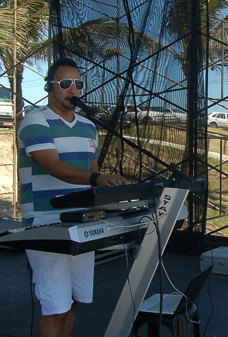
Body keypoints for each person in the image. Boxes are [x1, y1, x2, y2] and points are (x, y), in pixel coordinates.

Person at [17, 57, 127, 337]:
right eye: (65, 84)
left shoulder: (89, 127)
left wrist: (112, 196)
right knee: (55, 307)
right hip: (46, 222)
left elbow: (92, 171)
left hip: (81, 221)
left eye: (78, 84)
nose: (73, 90)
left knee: (74, 302)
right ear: (49, 87)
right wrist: (96, 179)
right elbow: (52, 166)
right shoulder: (36, 119)